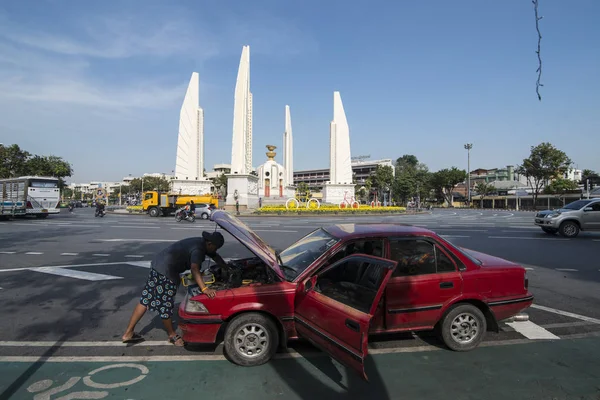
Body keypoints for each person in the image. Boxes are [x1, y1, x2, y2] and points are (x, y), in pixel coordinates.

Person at [121, 231, 227, 347]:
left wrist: (226, 267)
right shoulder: (199, 250)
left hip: (157, 266)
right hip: (166, 272)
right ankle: (172, 335)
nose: (215, 250)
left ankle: (128, 333)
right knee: (166, 305)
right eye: (215, 248)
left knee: (145, 299)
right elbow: (194, 269)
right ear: (210, 244)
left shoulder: (201, 243)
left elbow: (214, 256)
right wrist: (205, 289)